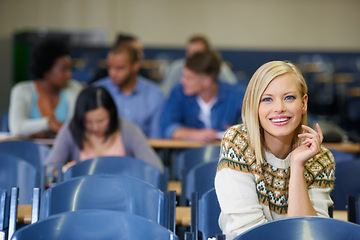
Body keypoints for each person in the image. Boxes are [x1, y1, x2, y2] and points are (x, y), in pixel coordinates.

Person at [215, 61, 335, 239]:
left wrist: (297, 165)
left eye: (289, 97)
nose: (279, 108)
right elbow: (248, 233)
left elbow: (310, 233)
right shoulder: (237, 142)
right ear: (254, 106)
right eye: (267, 99)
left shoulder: (321, 158)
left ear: (303, 103)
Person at [45, 86, 164, 176]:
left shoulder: (128, 129)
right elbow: (49, 168)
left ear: (112, 114)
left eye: (101, 120)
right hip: (82, 197)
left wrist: (132, 172)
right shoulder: (71, 129)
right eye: (88, 122)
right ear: (80, 118)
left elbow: (156, 168)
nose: (95, 127)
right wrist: (64, 171)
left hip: (122, 195)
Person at [160, 50, 244, 143]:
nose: (182, 81)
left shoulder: (235, 94)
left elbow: (251, 126)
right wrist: (198, 135)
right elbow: (168, 128)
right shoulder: (178, 92)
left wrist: (239, 131)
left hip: (225, 153)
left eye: (189, 78)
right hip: (187, 153)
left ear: (206, 81)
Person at [8, 38, 83, 137]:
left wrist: (35, 129)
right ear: (46, 70)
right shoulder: (22, 90)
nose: (69, 75)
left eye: (70, 69)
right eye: (64, 70)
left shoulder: (74, 88)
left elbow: (75, 129)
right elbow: (16, 128)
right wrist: (49, 123)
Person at [93, 44, 165, 138]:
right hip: (105, 150)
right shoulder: (97, 90)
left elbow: (156, 138)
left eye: (120, 68)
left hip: (142, 150)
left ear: (136, 66)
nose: (113, 73)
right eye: (110, 67)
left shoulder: (155, 94)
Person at [162, 34, 238, 95]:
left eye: (196, 53)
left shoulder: (219, 68)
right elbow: (167, 92)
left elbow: (233, 89)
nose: (191, 57)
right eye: (189, 52)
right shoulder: (177, 67)